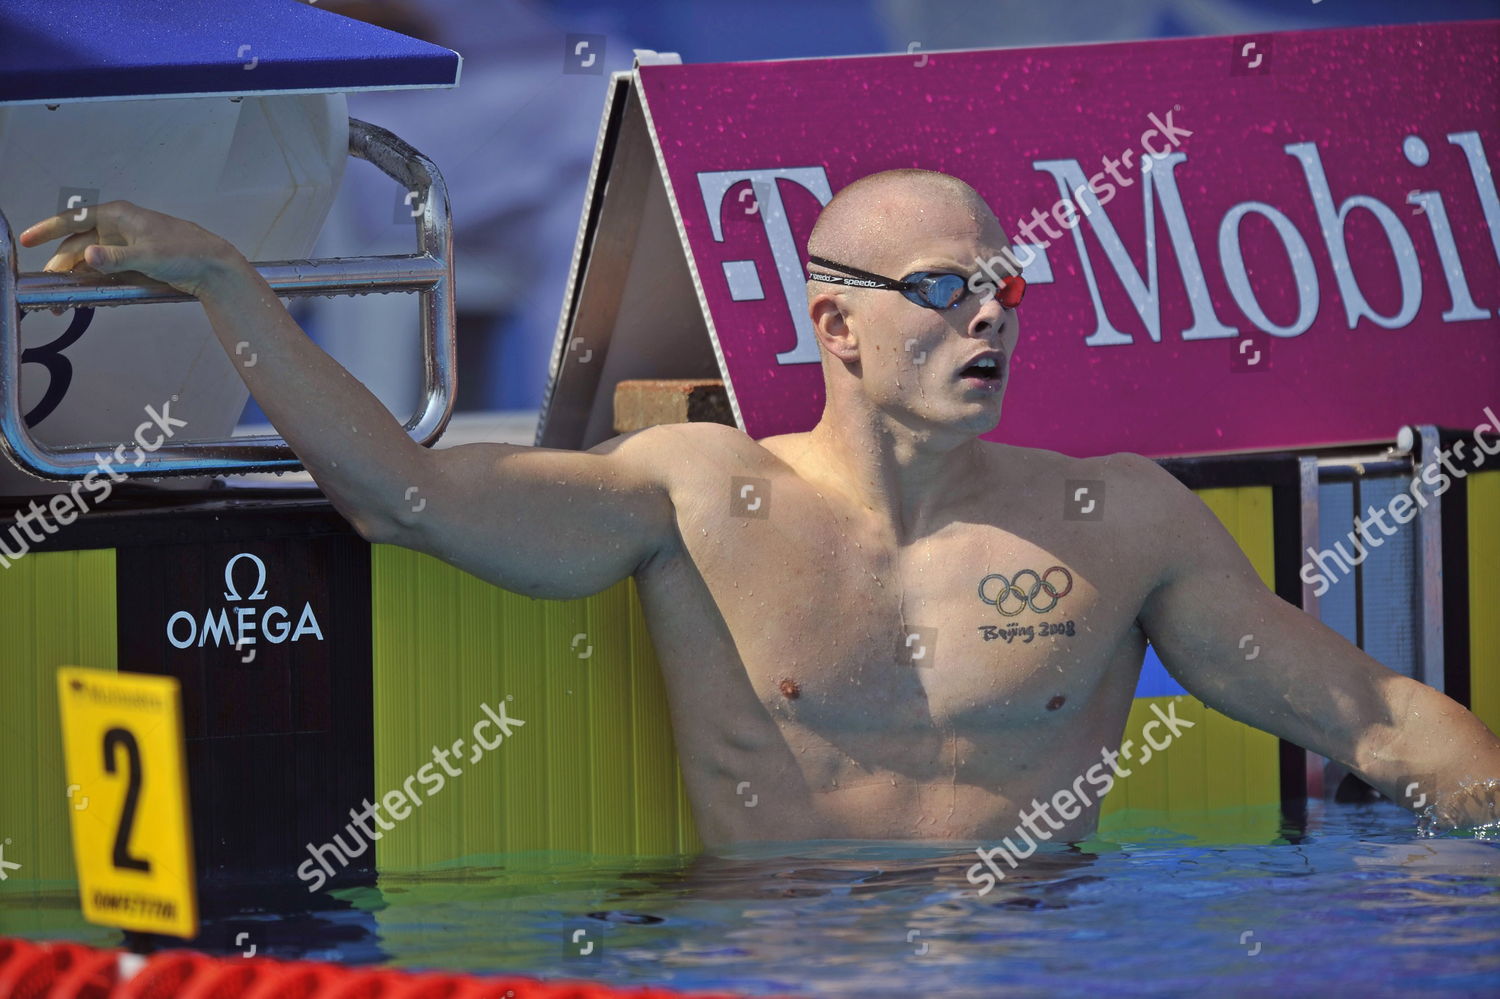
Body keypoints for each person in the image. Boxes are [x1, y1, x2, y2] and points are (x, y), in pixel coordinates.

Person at [20, 169, 1500, 849]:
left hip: (1048, 965)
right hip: (783, 966)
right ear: (835, 329)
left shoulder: (1114, 522)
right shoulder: (702, 496)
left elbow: (1382, 721)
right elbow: (403, 499)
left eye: (1004, 288)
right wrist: (230, 285)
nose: (989, 316)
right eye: (942, 292)